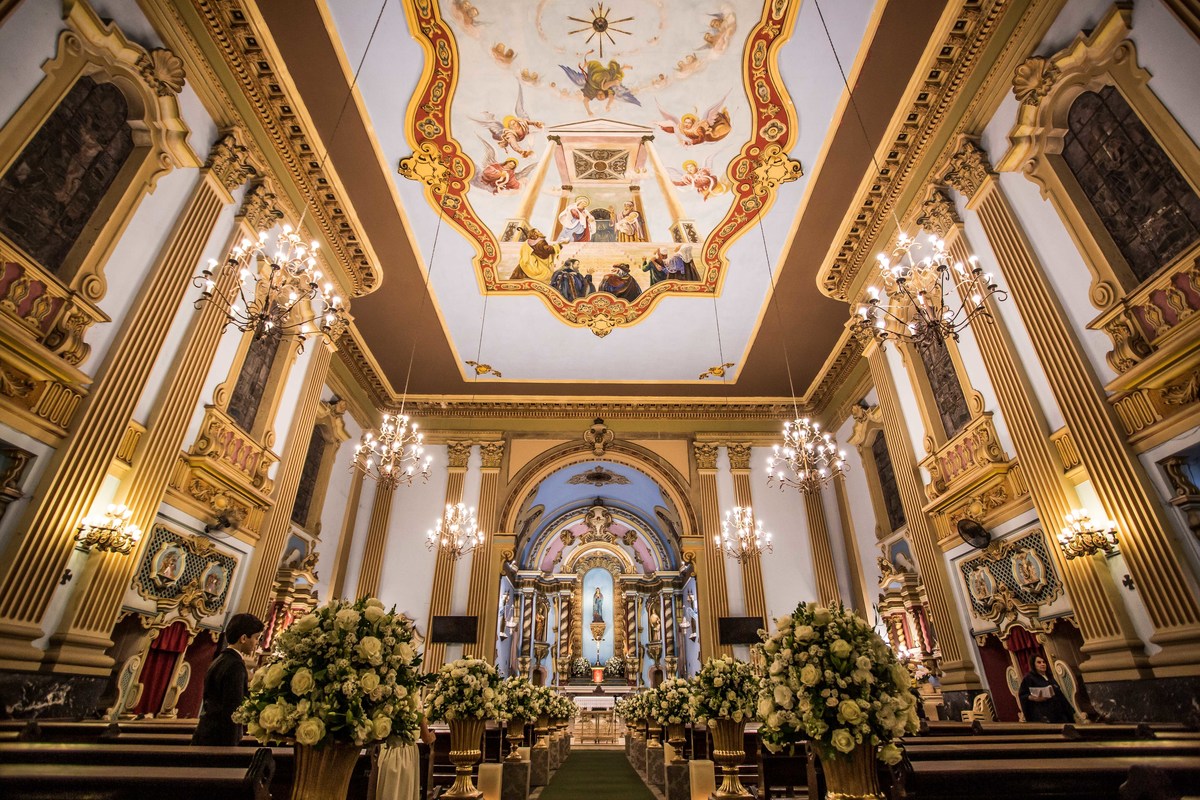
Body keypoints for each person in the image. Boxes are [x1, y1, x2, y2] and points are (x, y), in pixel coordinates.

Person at [191, 612, 264, 746]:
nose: (257, 643)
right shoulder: (235, 665)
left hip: (207, 731)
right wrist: (231, 745)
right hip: (218, 738)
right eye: (256, 638)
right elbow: (233, 710)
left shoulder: (221, 659)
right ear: (243, 638)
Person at [375, 715, 437, 800]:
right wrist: (432, 737)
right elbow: (426, 738)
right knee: (405, 792)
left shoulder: (384, 704)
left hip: (387, 749)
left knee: (388, 790)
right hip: (406, 752)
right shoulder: (415, 704)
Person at [1018, 654, 1075, 724]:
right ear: (1033, 665)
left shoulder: (1049, 676)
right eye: (1039, 662)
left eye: (1044, 662)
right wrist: (1034, 698)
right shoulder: (1029, 678)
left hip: (1059, 711)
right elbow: (1023, 695)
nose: (1042, 664)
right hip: (1044, 713)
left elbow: (1059, 693)